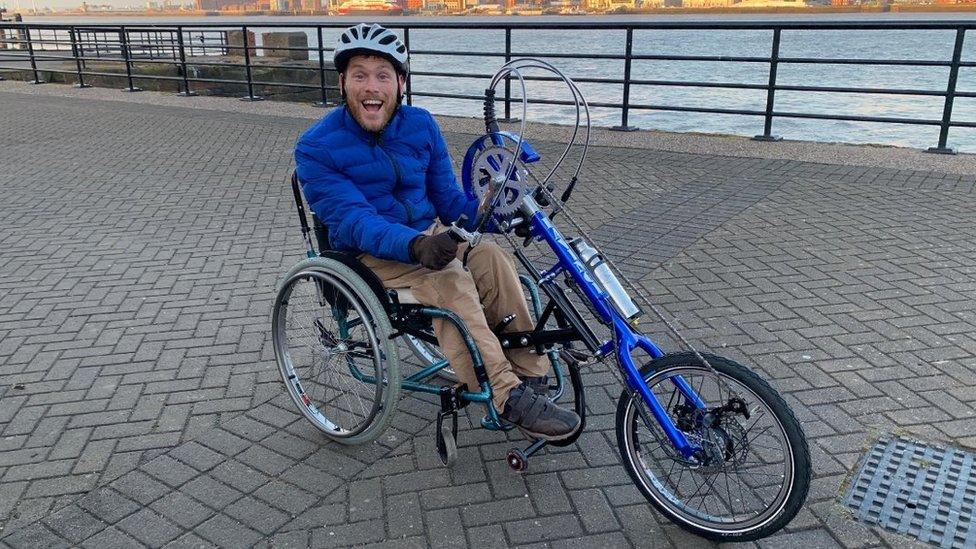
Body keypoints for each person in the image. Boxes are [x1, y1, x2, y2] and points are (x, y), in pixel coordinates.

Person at [294, 23, 580, 441]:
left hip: (428, 234)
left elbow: (448, 199)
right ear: (342, 82)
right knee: (450, 282)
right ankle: (504, 394)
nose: (371, 87)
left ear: (400, 83)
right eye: (359, 75)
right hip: (371, 257)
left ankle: (528, 374)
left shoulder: (421, 125)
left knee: (492, 261)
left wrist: (500, 213)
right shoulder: (316, 147)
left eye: (382, 75)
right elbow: (354, 220)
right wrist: (416, 245)